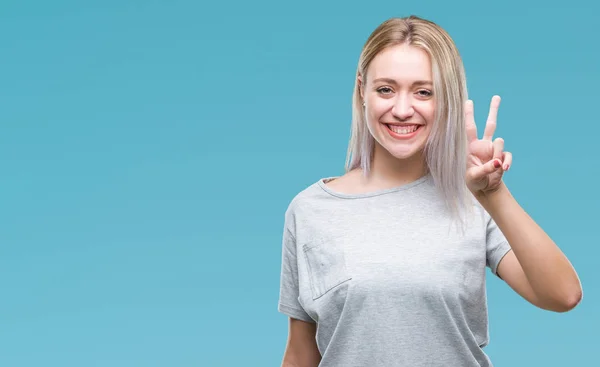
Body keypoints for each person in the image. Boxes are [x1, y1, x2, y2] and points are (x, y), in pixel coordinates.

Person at [277, 15, 582, 367]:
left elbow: (563, 295)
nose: (403, 110)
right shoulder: (310, 210)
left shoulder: (473, 199)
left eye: (424, 92)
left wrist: (493, 195)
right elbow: (301, 353)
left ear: (446, 98)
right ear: (362, 90)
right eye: (386, 89)